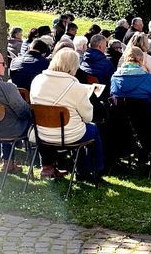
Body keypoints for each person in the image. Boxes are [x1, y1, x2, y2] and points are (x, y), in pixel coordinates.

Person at [29, 47, 107, 179]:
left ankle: (48, 167)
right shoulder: (76, 87)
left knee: (77, 127)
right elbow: (88, 117)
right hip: (69, 134)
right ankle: (94, 169)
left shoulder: (37, 80)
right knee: (92, 128)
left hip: (42, 133)